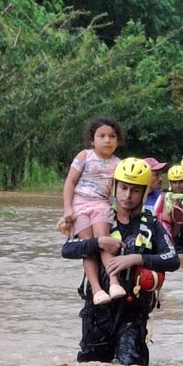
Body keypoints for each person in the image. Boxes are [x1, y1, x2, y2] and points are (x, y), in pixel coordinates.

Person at [61, 157, 180, 366]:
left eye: (135, 190)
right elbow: (67, 249)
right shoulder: (98, 218)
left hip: (133, 313)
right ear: (114, 187)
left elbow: (172, 260)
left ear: (144, 192)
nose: (127, 195)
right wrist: (97, 242)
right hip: (97, 312)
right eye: (123, 188)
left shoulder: (152, 225)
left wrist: (135, 258)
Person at [58, 116, 125, 306]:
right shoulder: (84, 156)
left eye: (112, 136)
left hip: (102, 204)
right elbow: (70, 182)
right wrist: (68, 209)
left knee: (104, 240)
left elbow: (118, 192)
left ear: (118, 141)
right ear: (92, 139)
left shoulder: (119, 164)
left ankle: (113, 282)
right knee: (88, 247)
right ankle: (96, 289)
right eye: (102, 136)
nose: (107, 140)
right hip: (80, 205)